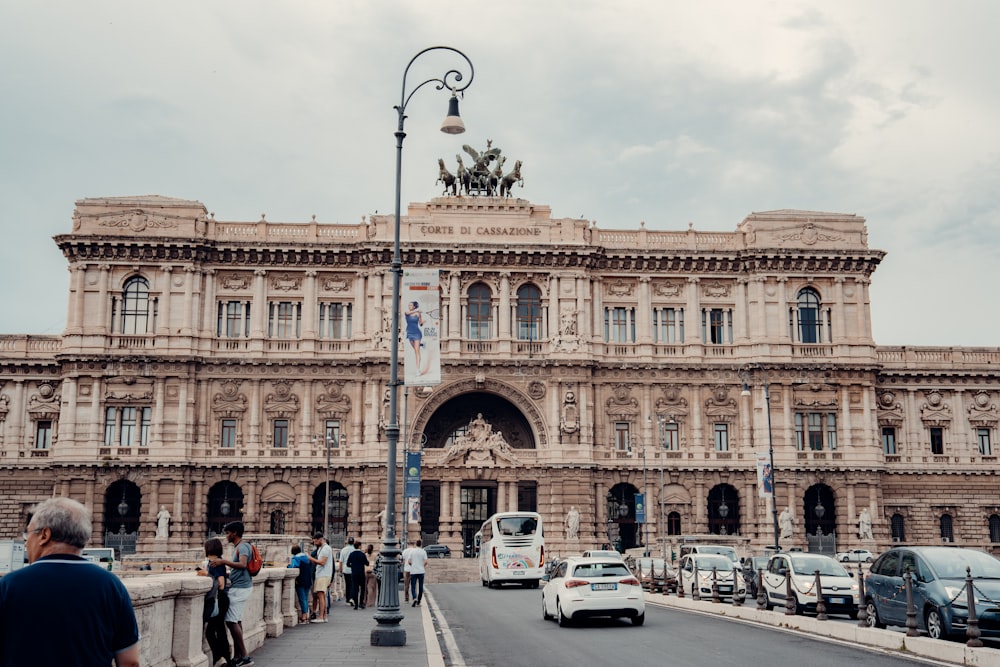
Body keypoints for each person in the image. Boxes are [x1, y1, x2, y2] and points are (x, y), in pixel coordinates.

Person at [0, 497, 140, 667]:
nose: (26, 542)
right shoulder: (111, 586)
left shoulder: (8, 585)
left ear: (45, 535)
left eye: (28, 534)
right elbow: (130, 662)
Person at [210, 520, 254, 666]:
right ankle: (238, 656)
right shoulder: (240, 546)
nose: (226, 536)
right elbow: (239, 569)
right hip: (240, 586)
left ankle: (245, 657)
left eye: (228, 533)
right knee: (236, 620)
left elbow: (242, 565)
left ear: (234, 533)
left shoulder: (243, 547)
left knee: (231, 621)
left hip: (241, 588)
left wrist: (223, 562)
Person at [203, 538, 231, 667]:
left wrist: (207, 575)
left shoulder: (216, 563)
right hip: (221, 600)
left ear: (209, 549)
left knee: (210, 632)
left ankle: (219, 658)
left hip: (219, 600)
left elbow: (221, 584)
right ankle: (225, 659)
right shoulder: (213, 563)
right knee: (220, 630)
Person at [307, 533, 333, 623]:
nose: (314, 543)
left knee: (321, 595)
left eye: (315, 541)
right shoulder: (322, 548)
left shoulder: (325, 548)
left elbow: (322, 562)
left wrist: (310, 558)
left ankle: (321, 616)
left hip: (323, 574)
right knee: (322, 595)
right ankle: (324, 616)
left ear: (320, 539)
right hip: (322, 574)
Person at [288, 545, 313, 624]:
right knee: (305, 598)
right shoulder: (306, 557)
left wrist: (288, 566)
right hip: (308, 580)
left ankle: (304, 617)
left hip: (300, 580)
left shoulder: (296, 558)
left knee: (302, 599)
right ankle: (306, 615)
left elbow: (294, 566)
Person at [346, 544, 370, 609]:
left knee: (355, 588)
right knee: (362, 589)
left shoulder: (351, 554)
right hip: (361, 574)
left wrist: (353, 566)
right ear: (359, 546)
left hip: (354, 574)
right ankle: (361, 603)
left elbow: (347, 564)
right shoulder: (362, 554)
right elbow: (367, 563)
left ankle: (356, 604)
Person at [404, 301, 424, 375]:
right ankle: (421, 345)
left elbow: (420, 323)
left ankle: (418, 369)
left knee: (416, 351)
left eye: (411, 305)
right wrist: (417, 310)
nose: (409, 306)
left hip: (417, 333)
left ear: (414, 306)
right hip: (409, 332)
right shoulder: (406, 312)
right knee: (414, 347)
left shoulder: (418, 314)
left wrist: (422, 322)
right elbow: (408, 313)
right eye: (409, 305)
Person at [408, 539, 428, 607]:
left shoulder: (412, 551)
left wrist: (413, 565)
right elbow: (425, 562)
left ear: (416, 544)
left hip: (413, 571)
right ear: (421, 544)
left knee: (413, 586)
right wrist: (421, 566)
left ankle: (414, 598)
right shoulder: (423, 551)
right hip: (421, 571)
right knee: (420, 586)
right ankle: (419, 601)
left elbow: (409, 561)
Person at [339, 537, 357, 607]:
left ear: (347, 542)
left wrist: (340, 571)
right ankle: (352, 598)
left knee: (347, 584)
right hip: (353, 569)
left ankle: (347, 599)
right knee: (353, 585)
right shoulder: (355, 550)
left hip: (345, 569)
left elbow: (341, 561)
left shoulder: (343, 550)